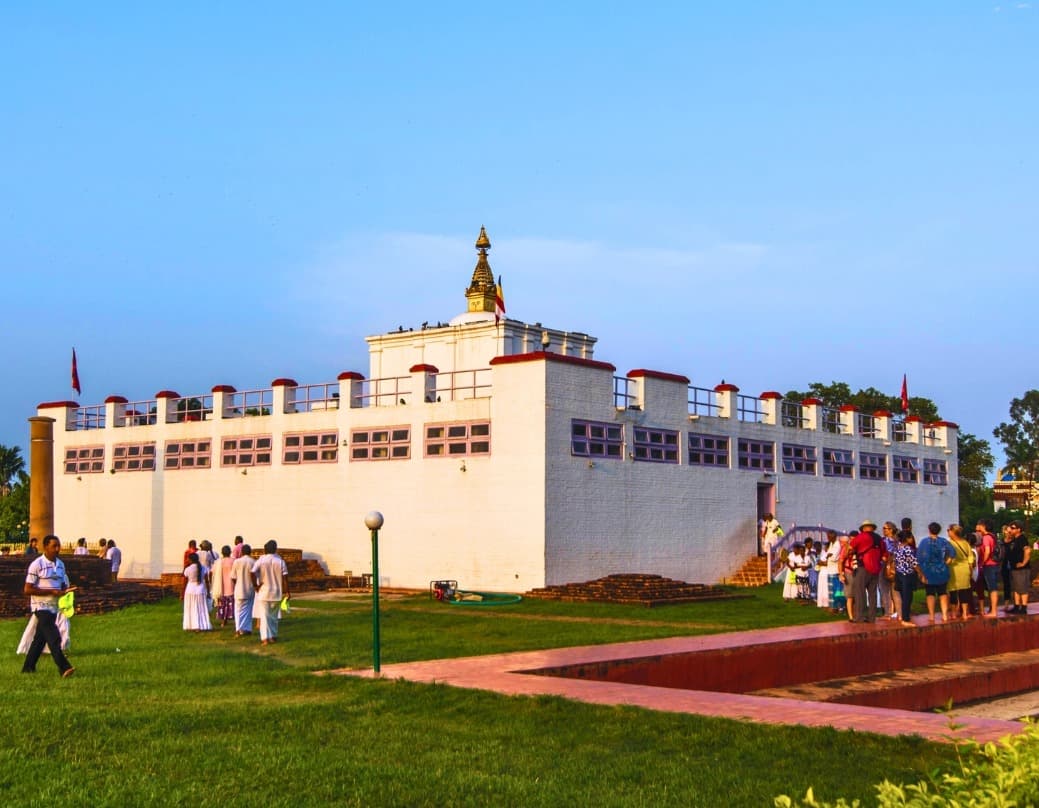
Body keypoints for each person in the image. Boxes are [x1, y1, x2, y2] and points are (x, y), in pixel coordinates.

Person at [21, 535, 76, 677]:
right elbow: (27, 589)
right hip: (40, 606)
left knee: (39, 639)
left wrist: (66, 590)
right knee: (53, 636)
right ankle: (64, 667)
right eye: (54, 546)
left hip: (53, 607)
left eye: (58, 546)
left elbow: (62, 584)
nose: (57, 549)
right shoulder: (37, 564)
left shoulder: (60, 565)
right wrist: (50, 591)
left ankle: (28, 667)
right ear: (45, 547)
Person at [252, 539, 289, 646]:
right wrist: (287, 592)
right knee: (273, 616)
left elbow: (252, 572)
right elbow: (285, 578)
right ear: (275, 549)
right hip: (276, 592)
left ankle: (265, 638)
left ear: (265, 550)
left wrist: (256, 586)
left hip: (264, 591)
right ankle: (272, 636)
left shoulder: (261, 560)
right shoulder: (280, 561)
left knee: (264, 616)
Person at [916, 522, 954, 623]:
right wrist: (947, 562)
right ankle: (945, 615)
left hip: (928, 571)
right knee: (942, 593)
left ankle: (932, 616)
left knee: (930, 593)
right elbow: (952, 552)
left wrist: (921, 572)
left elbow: (919, 557)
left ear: (929, 530)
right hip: (942, 570)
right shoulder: (944, 541)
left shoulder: (924, 542)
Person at [849, 520, 885, 623]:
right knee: (872, 594)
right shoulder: (879, 539)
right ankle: (871, 617)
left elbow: (850, 548)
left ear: (864, 528)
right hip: (876, 569)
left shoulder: (860, 537)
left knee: (860, 592)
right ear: (873, 528)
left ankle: (859, 616)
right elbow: (884, 553)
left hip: (863, 568)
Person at [946, 525, 974, 620]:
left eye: (949, 530)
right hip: (964, 569)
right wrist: (970, 568)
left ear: (953, 532)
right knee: (964, 592)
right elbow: (970, 556)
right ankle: (965, 613)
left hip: (953, 569)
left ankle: (954, 613)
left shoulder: (949, 544)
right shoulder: (965, 543)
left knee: (953, 592)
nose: (948, 532)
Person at [893, 528, 918, 627]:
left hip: (899, 574)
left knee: (904, 597)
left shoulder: (898, 548)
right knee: (907, 597)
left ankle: (905, 616)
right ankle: (905, 619)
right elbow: (914, 563)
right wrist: (921, 573)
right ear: (907, 538)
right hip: (907, 575)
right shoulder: (908, 549)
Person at [977, 517, 1001, 618]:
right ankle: (993, 609)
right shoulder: (993, 536)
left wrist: (983, 562)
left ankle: (994, 611)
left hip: (989, 565)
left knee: (992, 588)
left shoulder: (986, 537)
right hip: (995, 564)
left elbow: (987, 551)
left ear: (983, 526)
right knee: (993, 587)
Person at [1006, 519, 1031, 615]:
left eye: (1013, 528)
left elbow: (1027, 551)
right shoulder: (1014, 539)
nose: (1011, 530)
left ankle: (1023, 607)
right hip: (1014, 567)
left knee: (1022, 588)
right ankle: (1017, 606)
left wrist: (1023, 563)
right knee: (1016, 587)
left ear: (1019, 529)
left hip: (1021, 569)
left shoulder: (1022, 539)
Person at [230, 544, 256, 636]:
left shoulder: (237, 562)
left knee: (238, 610)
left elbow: (232, 577)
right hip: (249, 589)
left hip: (239, 588)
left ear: (241, 552)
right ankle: (247, 629)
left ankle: (238, 629)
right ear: (250, 552)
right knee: (248, 610)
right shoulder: (253, 562)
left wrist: (237, 582)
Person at [182, 552, 212, 631]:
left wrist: (182, 592)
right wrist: (208, 592)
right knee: (201, 608)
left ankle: (192, 625)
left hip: (190, 590)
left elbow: (184, 581)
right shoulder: (204, 568)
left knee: (191, 608)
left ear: (191, 560)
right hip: (200, 589)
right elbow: (207, 581)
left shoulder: (188, 569)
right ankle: (201, 625)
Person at [211, 545, 235, 628]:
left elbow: (212, 572)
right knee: (230, 603)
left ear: (222, 553)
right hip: (231, 585)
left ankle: (223, 621)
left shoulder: (218, 562)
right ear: (230, 552)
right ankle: (230, 618)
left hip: (221, 585)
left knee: (222, 605)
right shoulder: (233, 561)